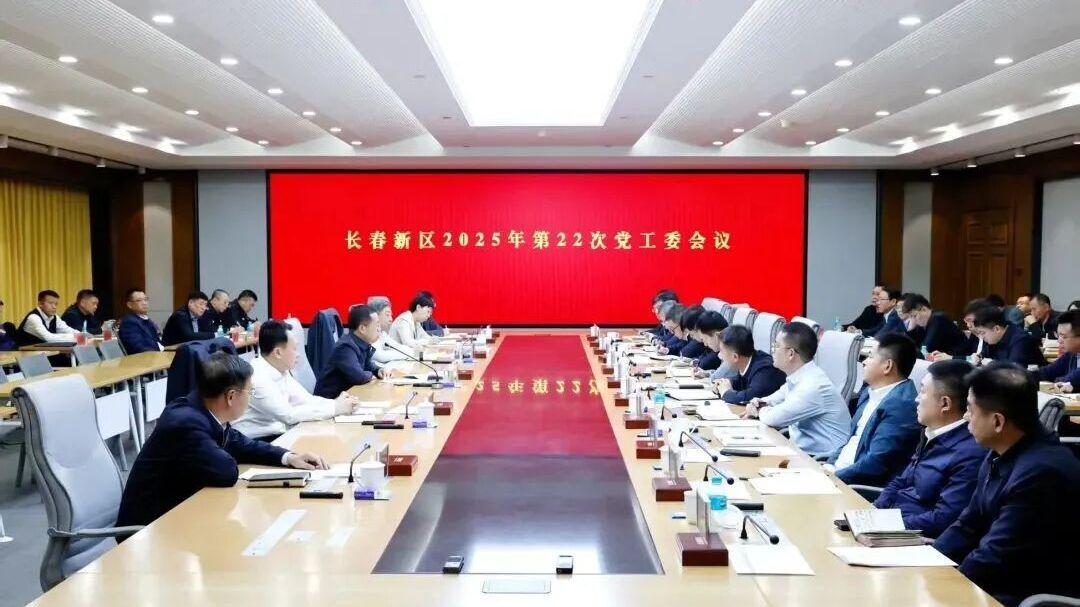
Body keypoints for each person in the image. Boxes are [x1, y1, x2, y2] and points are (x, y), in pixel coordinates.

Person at [116, 352, 328, 528]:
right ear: (231, 396)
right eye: (250, 392)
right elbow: (226, 472)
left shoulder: (202, 408)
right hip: (151, 528)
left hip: (184, 510)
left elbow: (241, 444)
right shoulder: (185, 423)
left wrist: (289, 457)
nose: (251, 397)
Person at [933, 363, 1080, 606]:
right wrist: (929, 564)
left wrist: (942, 586)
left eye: (970, 409)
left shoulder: (1041, 473)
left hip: (1026, 593)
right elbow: (967, 524)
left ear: (997, 421)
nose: (966, 416)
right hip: (998, 580)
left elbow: (995, 556)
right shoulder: (1001, 450)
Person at [874, 360, 986, 538]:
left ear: (945, 403)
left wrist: (885, 526)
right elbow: (901, 481)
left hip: (911, 539)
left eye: (923, 391)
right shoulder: (930, 432)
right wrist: (874, 511)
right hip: (887, 526)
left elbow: (943, 519)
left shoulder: (970, 453)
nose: (916, 399)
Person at [233, 320, 358, 440]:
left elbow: (306, 400)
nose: (298, 354)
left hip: (279, 433)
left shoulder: (280, 369)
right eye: (294, 349)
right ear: (277, 353)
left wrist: (336, 403)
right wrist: (336, 408)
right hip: (258, 440)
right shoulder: (258, 378)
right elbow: (289, 415)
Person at [742, 322, 851, 457]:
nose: (772, 350)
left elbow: (773, 418)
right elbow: (770, 400)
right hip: (800, 451)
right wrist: (757, 404)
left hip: (819, 460)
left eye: (776, 346)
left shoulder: (813, 386)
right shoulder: (798, 377)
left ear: (791, 354)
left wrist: (758, 409)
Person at [828, 333, 921, 486]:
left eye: (870, 356)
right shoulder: (869, 392)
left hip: (857, 487)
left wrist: (832, 477)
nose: (864, 362)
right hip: (839, 474)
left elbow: (875, 464)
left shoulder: (901, 406)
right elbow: (850, 440)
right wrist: (828, 465)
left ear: (887, 366)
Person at [314, 304, 391, 398]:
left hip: (346, 397)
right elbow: (359, 377)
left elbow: (367, 365)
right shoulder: (345, 347)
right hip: (330, 401)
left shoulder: (361, 343)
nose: (379, 329)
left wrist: (378, 370)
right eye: (377, 325)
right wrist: (372, 376)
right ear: (362, 329)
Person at [712, 325, 786, 404]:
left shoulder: (765, 370)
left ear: (735, 357)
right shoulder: (747, 361)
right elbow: (745, 385)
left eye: (721, 351)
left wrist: (725, 392)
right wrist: (727, 384)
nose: (719, 355)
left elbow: (748, 397)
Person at [899, 294, 969, 358]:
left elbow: (926, 349)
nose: (913, 320)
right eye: (910, 317)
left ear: (924, 309)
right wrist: (911, 328)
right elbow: (908, 346)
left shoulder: (938, 318)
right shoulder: (921, 324)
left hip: (960, 358)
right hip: (943, 360)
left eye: (914, 316)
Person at [972, 307, 1045, 368]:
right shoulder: (994, 339)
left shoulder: (1020, 340)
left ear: (997, 329)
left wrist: (992, 364)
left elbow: (1014, 371)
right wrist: (978, 357)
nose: (981, 337)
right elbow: (984, 356)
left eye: (982, 333)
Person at [366, 296, 414, 368]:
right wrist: (406, 354)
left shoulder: (383, 334)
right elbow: (380, 356)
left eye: (391, 315)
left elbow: (400, 347)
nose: (391, 319)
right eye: (387, 315)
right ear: (375, 315)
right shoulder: (368, 334)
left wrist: (407, 352)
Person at [1039, 309, 1079, 392]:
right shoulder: (1072, 354)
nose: (1059, 341)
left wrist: (1057, 380)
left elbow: (1068, 381)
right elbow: (1047, 372)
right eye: (1058, 335)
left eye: (1063, 336)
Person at [118, 288, 162, 354]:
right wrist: (159, 354)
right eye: (139, 300)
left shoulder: (146, 319)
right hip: (145, 358)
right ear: (129, 305)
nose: (144, 303)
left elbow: (158, 341)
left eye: (145, 299)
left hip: (157, 354)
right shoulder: (129, 322)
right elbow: (138, 347)